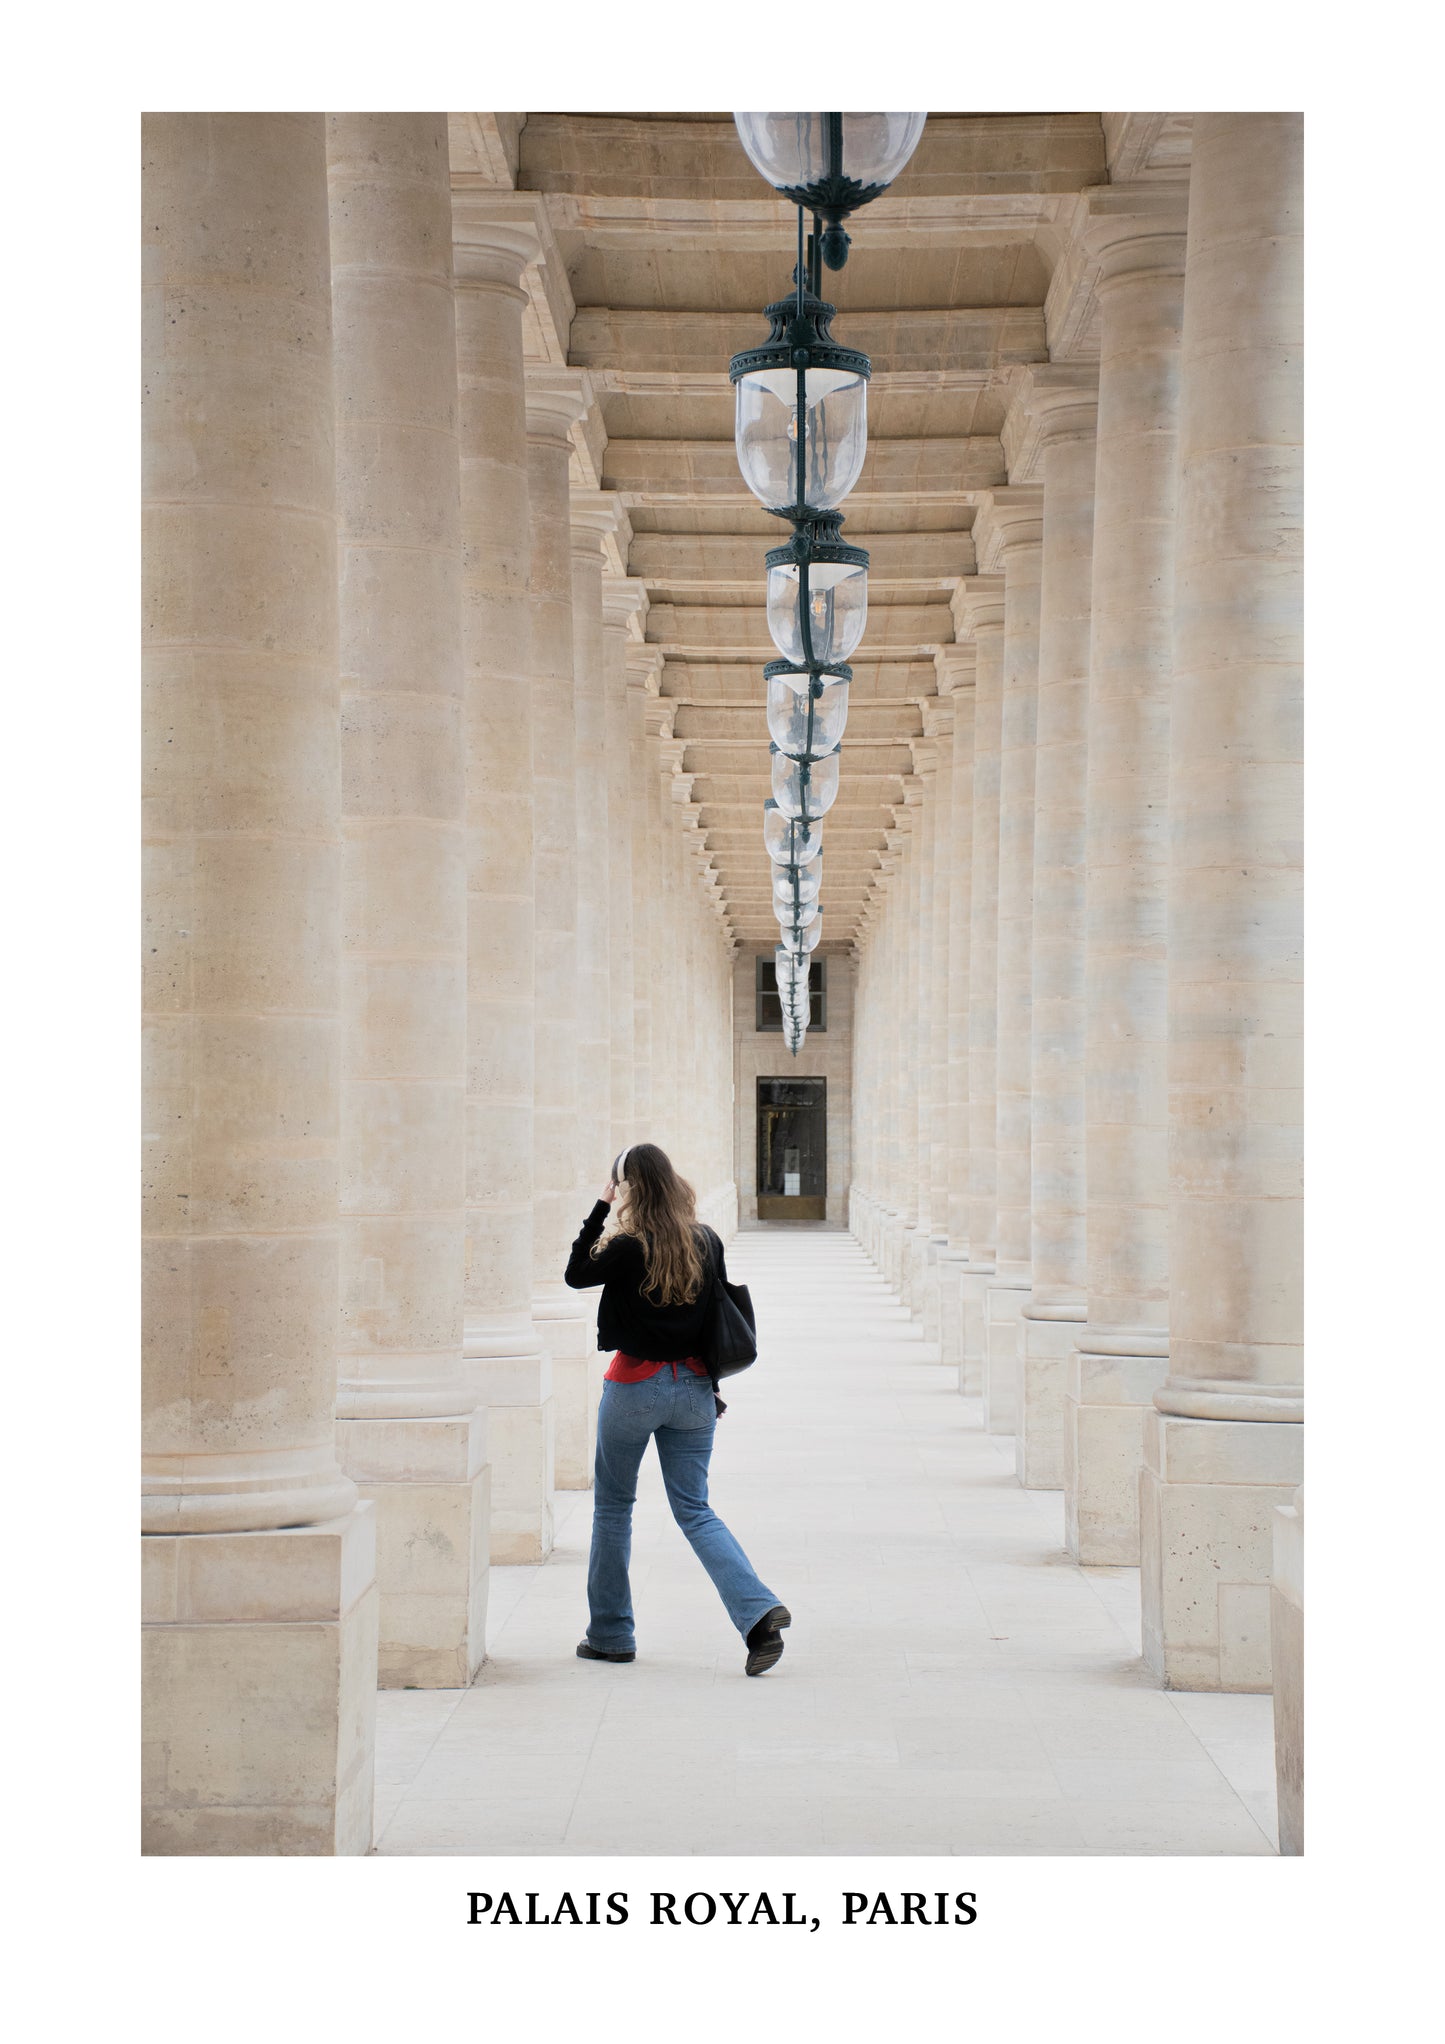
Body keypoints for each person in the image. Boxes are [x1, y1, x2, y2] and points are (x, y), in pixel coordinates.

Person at [563, 1142, 790, 1677]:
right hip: (693, 1391)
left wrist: (600, 1207)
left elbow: (575, 1273)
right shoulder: (705, 1241)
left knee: (614, 1508)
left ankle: (611, 1635)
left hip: (634, 1387)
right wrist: (709, 1385)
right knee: (695, 1509)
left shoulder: (625, 1247)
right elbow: (713, 1317)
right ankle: (758, 1614)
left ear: (630, 1189)